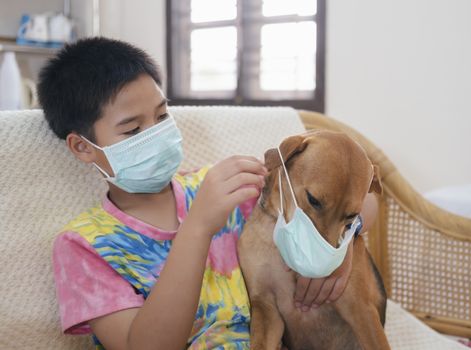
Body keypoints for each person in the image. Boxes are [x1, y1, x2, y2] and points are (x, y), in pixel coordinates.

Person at [39, 37, 378, 350]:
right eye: (133, 129)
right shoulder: (83, 247)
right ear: (83, 147)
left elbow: (363, 200)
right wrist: (198, 226)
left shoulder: (222, 185)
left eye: (162, 115)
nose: (156, 134)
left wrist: (339, 250)